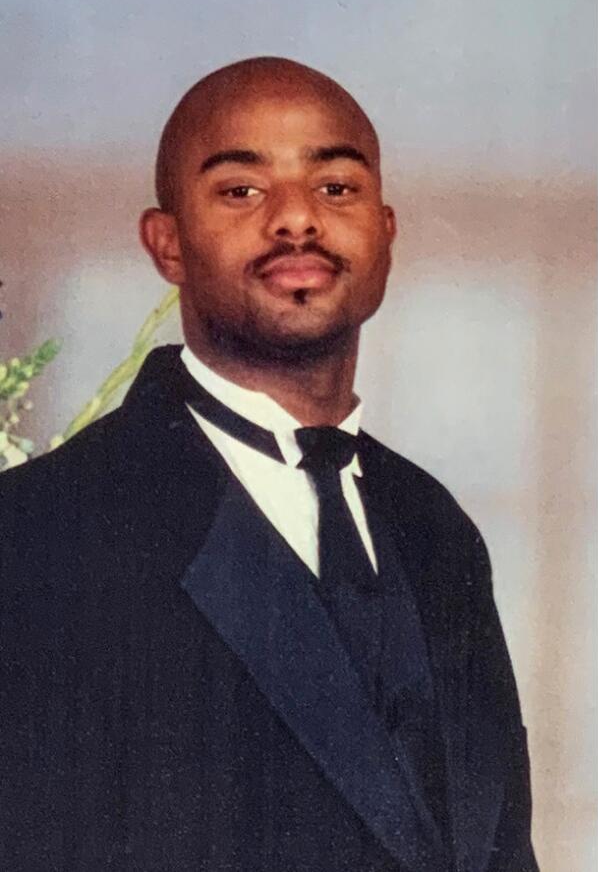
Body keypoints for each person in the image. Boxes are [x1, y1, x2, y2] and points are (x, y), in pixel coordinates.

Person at [0, 57, 537, 872]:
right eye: (241, 190)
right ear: (167, 243)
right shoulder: (40, 528)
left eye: (336, 188)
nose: (297, 220)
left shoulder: (438, 529)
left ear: (386, 232)